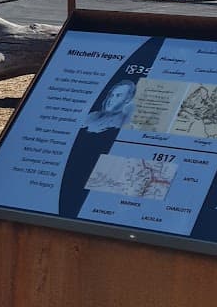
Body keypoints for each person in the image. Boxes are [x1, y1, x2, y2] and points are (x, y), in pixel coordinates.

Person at [58, 37, 162, 218]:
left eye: (120, 95)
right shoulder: (91, 118)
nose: (113, 98)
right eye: (112, 94)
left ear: (128, 100)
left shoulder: (122, 122)